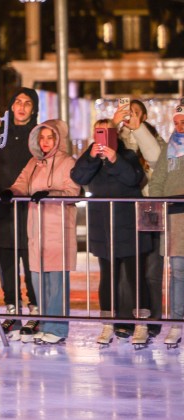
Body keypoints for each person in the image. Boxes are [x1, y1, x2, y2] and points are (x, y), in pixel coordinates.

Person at [71, 119, 152, 346]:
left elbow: (134, 178)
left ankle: (142, 324)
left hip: (129, 225)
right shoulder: (91, 157)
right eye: (99, 132)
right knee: (107, 277)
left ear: (115, 134)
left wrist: (115, 159)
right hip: (103, 227)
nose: (103, 137)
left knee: (136, 277)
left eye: (108, 132)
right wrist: (91, 156)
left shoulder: (127, 155)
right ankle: (108, 323)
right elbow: (78, 177)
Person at [3, 120, 80, 344]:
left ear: (58, 139)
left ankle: (57, 329)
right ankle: (45, 324)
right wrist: (10, 192)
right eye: (42, 137)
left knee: (56, 283)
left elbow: (73, 191)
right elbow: (22, 183)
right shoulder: (34, 162)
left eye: (50, 137)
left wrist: (50, 193)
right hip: (37, 228)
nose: (45, 142)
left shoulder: (67, 162)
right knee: (38, 280)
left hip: (58, 229)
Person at [116, 99, 166, 338]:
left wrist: (138, 129)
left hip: (150, 210)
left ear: (144, 117)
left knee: (151, 270)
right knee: (126, 271)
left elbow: (157, 160)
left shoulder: (154, 139)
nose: (131, 116)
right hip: (125, 212)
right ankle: (126, 319)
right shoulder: (116, 140)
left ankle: (152, 320)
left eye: (135, 112)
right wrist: (114, 126)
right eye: (127, 112)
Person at [0, 88, 40, 340]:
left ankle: (36, 310)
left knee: (31, 261)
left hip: (29, 208)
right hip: (3, 208)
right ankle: (12, 310)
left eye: (27, 103)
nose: (21, 107)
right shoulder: (0, 133)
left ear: (34, 108)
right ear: (11, 106)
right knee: (7, 260)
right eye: (17, 102)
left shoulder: (39, 135)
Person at [149, 103, 184, 347]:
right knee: (178, 270)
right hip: (175, 218)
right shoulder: (169, 148)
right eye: (177, 122)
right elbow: (157, 180)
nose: (180, 126)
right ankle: (177, 322)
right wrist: (157, 205)